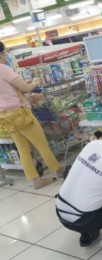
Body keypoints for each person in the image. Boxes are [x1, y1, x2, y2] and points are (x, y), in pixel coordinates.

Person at [0, 41, 67, 190]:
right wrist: (35, 82)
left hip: (5, 117)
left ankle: (36, 180)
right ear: (1, 53)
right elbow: (25, 88)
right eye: (6, 51)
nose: (7, 54)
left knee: (23, 149)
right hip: (20, 114)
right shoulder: (4, 69)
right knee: (42, 145)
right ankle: (59, 170)